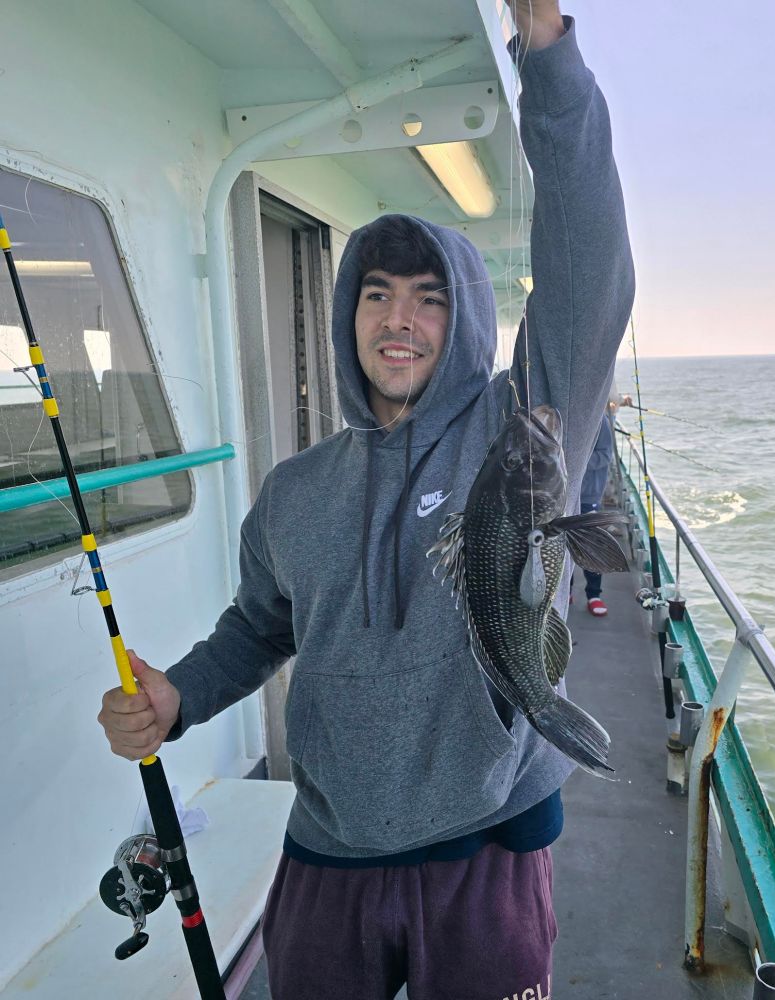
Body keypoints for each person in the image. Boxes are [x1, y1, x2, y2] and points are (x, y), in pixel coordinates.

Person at [97, 3, 633, 997]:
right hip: (327, 850)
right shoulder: (294, 491)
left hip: (491, 846)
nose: (400, 318)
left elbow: (589, 271)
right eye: (377, 292)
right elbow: (259, 630)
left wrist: (547, 54)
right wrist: (176, 697)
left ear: (466, 315)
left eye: (431, 296)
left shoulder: (519, 424)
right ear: (346, 315)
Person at [578, 410, 615, 616]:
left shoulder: (600, 421)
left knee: (591, 547)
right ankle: (564, 591)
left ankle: (594, 594)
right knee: (560, 546)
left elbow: (604, 455)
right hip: (564, 495)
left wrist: (575, 458)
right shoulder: (563, 415)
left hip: (588, 496)